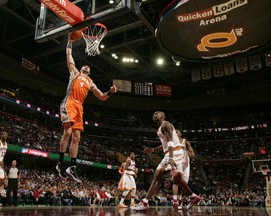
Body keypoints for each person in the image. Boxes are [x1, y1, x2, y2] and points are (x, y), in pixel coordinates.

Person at [56, 35, 117, 183]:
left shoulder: (90, 82)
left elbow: (102, 97)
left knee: (76, 138)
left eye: (88, 67)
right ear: (82, 68)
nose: (87, 66)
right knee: (68, 132)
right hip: (69, 102)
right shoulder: (75, 72)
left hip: (79, 108)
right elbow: (69, 56)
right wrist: (70, 42)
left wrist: (110, 92)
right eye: (85, 66)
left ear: (89, 72)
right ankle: (60, 163)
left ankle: (72, 167)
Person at [131, 111, 201, 211]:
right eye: (154, 113)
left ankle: (145, 202)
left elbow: (171, 143)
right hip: (171, 153)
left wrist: (171, 158)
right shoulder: (160, 128)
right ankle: (193, 196)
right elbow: (165, 144)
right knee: (176, 178)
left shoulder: (165, 125)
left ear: (162, 116)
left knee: (157, 175)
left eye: (157, 113)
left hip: (173, 153)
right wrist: (153, 150)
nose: (154, 114)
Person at [172, 130, 196, 209]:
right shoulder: (172, 142)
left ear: (180, 134)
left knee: (184, 184)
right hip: (177, 162)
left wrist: (185, 152)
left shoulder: (186, 142)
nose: (175, 133)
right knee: (176, 180)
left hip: (185, 163)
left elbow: (193, 154)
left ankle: (180, 201)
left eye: (177, 132)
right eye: (174, 132)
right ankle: (175, 199)